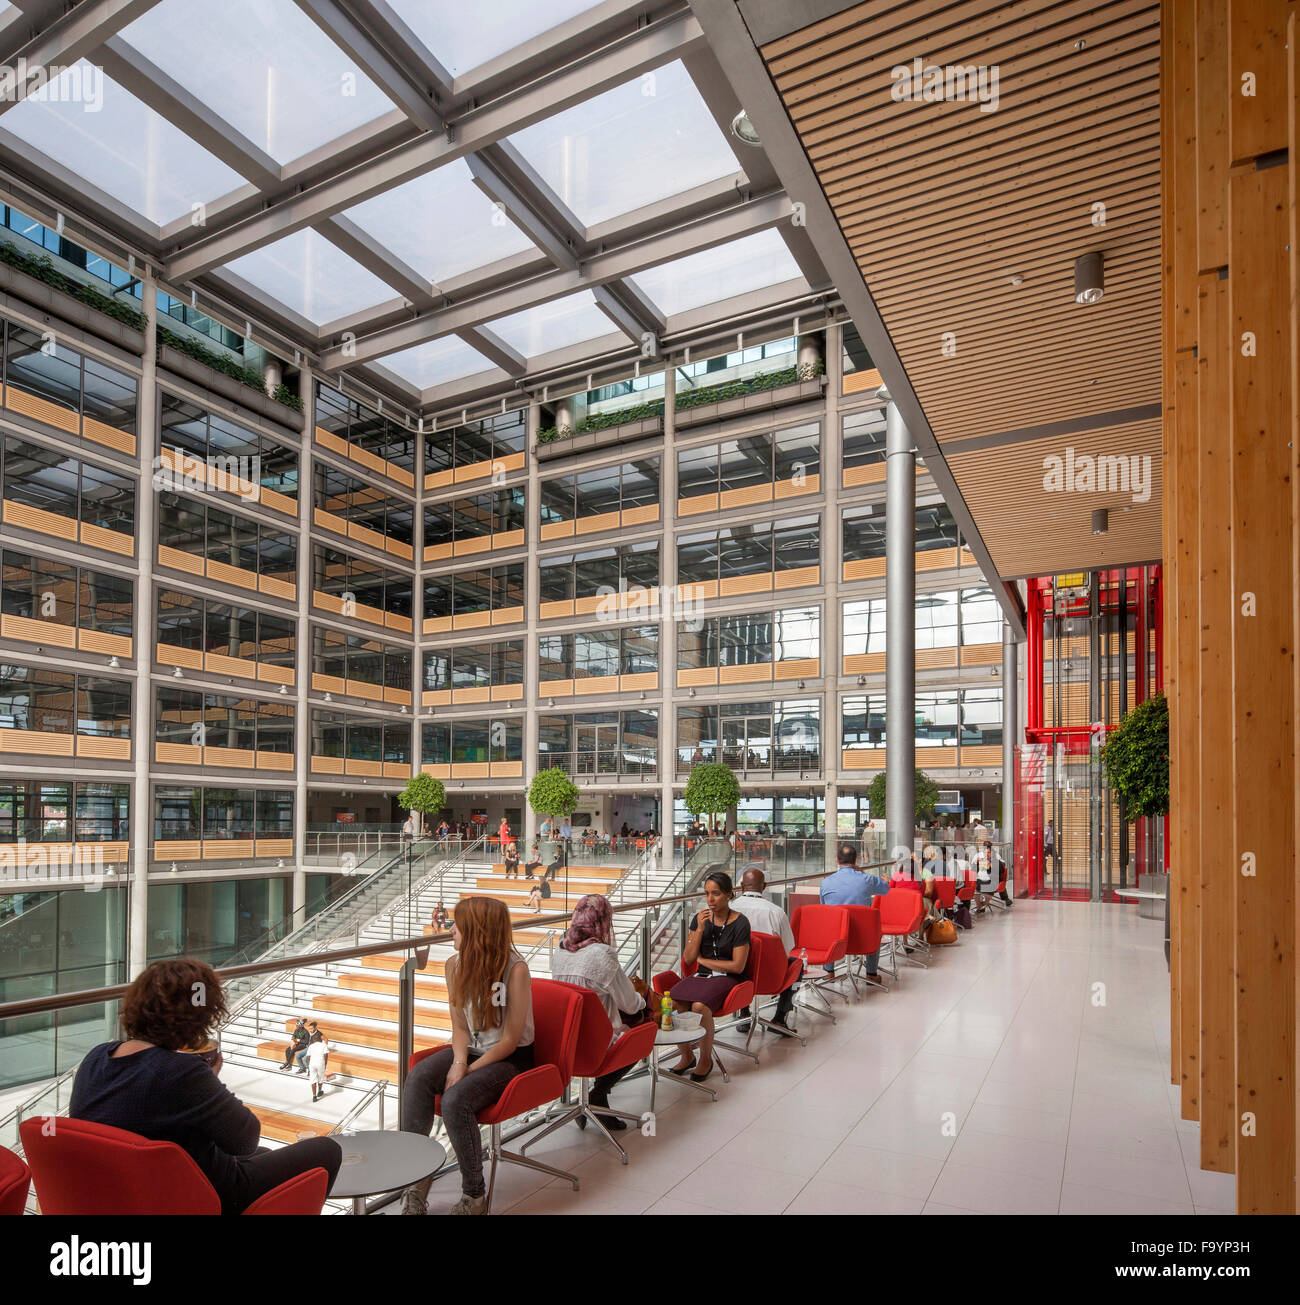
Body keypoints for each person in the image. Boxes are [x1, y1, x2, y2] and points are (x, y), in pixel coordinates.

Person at [69, 958, 341, 1215]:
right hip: (201, 1196)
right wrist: (209, 1077)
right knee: (327, 1150)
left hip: (126, 1195)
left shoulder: (96, 1057)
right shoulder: (180, 1072)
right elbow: (245, 1139)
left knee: (265, 1154)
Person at [400, 898, 535, 1216]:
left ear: (478, 931)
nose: (451, 930)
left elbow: (511, 1040)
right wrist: (459, 1062)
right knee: (418, 1076)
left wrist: (469, 1070)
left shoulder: (515, 970)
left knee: (455, 1100)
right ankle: (415, 1183)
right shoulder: (453, 965)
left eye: (457, 925)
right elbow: (459, 1026)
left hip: (511, 1057)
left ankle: (474, 1195)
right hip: (470, 1048)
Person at [550, 895, 651, 1130]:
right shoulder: (602, 954)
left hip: (565, 1041)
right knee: (644, 1027)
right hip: (596, 1044)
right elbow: (630, 1004)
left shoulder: (561, 949)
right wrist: (643, 998)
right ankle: (599, 1092)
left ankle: (595, 1098)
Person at [666, 872, 751, 1081]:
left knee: (698, 1007)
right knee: (673, 1003)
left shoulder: (741, 923)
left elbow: (737, 966)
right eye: (707, 894)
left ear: (729, 895)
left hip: (728, 978)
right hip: (701, 976)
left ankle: (705, 1059)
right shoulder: (700, 919)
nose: (710, 899)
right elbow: (688, 958)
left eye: (716, 894)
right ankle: (687, 1056)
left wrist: (703, 961)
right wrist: (700, 929)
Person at [730, 867, 798, 1031]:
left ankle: (744, 1012)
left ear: (741, 887)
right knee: (796, 964)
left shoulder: (730, 909)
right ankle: (780, 1018)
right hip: (771, 977)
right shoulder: (776, 912)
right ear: (764, 886)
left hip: (735, 974)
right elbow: (788, 949)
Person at [819, 843, 891, 986]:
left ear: (837, 860)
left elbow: (824, 908)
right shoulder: (866, 880)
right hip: (862, 939)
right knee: (873, 929)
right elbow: (886, 889)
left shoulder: (826, 883)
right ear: (856, 859)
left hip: (837, 939)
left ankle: (829, 972)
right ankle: (871, 974)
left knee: (831, 924)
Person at [306, 1035, 329, 1103]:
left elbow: (308, 1056)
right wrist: (325, 1064)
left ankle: (314, 1096)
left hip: (312, 1064)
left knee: (313, 1080)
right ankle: (319, 1091)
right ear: (320, 1040)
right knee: (320, 1078)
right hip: (320, 1063)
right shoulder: (324, 1045)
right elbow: (326, 1055)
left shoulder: (311, 1046)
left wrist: (311, 1062)